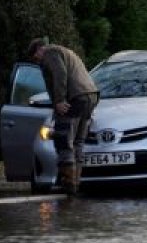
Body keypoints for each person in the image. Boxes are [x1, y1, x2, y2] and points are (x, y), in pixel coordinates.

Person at [27, 38, 99, 195]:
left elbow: (60, 73)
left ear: (40, 49)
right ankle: (76, 182)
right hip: (90, 95)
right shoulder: (66, 51)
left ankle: (68, 183)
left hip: (74, 97)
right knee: (78, 142)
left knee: (63, 139)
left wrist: (59, 100)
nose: (37, 61)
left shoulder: (50, 52)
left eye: (35, 57)